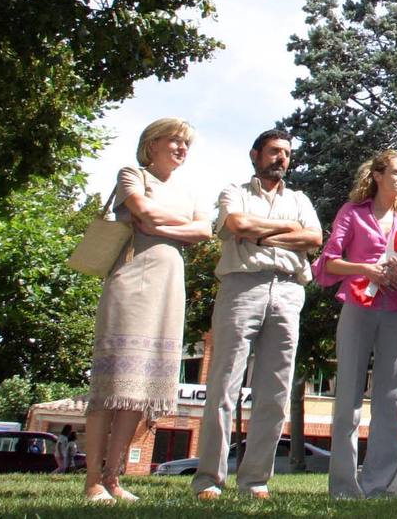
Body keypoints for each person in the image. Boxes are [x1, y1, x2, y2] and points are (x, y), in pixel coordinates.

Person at [83, 117, 214, 502]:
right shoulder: (132, 174)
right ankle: (92, 480)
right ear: (152, 143)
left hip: (168, 291)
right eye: (174, 141)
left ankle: (113, 478)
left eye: (185, 144)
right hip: (131, 283)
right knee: (111, 388)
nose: (181, 149)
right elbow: (144, 213)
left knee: (138, 392)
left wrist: (162, 224)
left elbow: (205, 231)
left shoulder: (188, 191)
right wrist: (178, 226)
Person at [193, 130, 322, 501]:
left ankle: (255, 481)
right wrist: (287, 230)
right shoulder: (235, 193)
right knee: (224, 386)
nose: (280, 159)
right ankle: (209, 481)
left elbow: (313, 239)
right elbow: (237, 226)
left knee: (275, 390)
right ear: (255, 155)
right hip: (241, 287)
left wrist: (262, 236)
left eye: (286, 154)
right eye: (273, 152)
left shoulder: (299, 199)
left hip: (288, 290)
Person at [312, 149, 397, 499]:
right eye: (395, 172)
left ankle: (379, 485)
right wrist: (366, 269)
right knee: (347, 396)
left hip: (396, 310)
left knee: (389, 398)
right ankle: (344, 486)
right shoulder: (353, 213)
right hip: (358, 307)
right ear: (376, 175)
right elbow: (329, 263)